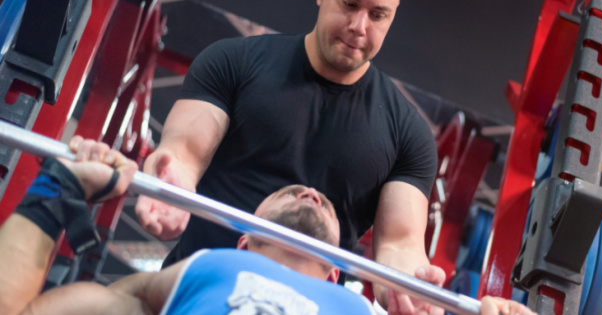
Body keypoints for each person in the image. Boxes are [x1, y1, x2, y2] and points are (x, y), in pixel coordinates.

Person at [135, 0, 442, 311]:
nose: (359, 27)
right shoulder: (234, 62)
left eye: (378, 15)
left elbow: (399, 244)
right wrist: (172, 184)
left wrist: (408, 284)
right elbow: (184, 153)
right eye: (349, 4)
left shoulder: (408, 135)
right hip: (201, 299)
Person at [0, 137, 536, 315]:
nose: (308, 192)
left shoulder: (364, 309)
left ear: (336, 272)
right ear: (244, 239)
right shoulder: (194, 273)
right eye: (287, 193)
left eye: (323, 203)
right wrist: (63, 185)